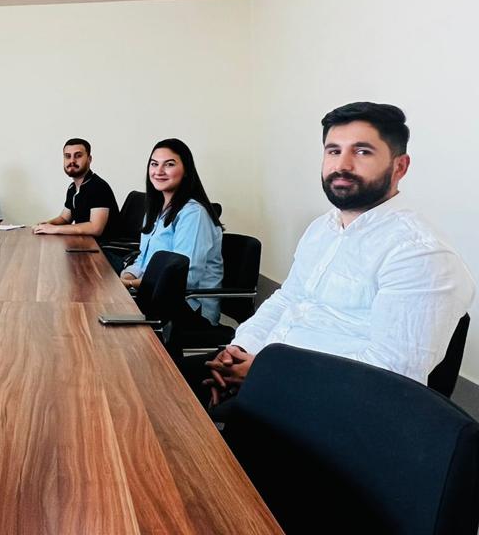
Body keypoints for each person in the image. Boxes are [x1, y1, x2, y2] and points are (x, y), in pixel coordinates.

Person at [200, 102, 474, 406]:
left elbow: (390, 377)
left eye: (362, 151)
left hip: (328, 407)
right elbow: (288, 299)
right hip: (267, 374)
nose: (342, 165)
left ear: (400, 167)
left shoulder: (420, 253)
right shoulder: (323, 228)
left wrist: (264, 373)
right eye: (333, 151)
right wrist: (238, 351)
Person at [121, 139, 223, 329]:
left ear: (186, 171)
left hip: (187, 309)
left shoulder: (193, 214)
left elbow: (185, 276)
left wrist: (134, 284)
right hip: (154, 296)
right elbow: (143, 259)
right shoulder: (155, 210)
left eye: (169, 164)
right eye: (154, 164)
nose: (159, 171)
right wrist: (127, 277)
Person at [33, 138, 120, 241]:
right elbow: (64, 218)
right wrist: (46, 225)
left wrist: (55, 229)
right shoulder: (73, 188)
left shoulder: (98, 187)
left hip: (103, 248)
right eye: (67, 156)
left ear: (89, 159)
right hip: (85, 243)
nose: (72, 161)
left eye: (78, 156)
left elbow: (95, 228)